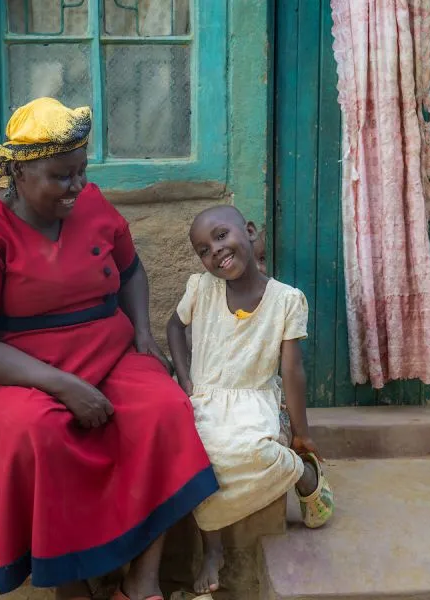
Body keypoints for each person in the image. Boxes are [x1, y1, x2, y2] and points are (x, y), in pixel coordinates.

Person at [0, 97, 218, 600]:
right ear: (19, 173)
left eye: (81, 171)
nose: (77, 186)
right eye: (61, 176)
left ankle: (141, 580)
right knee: (39, 432)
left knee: (165, 409)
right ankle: (72, 585)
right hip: (17, 369)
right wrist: (63, 386)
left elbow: (131, 272)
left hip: (108, 351)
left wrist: (143, 334)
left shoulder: (93, 204)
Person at [166, 206, 334, 595]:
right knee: (194, 456)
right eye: (204, 250)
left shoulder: (287, 300)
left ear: (250, 231)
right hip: (204, 397)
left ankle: (301, 471)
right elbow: (174, 326)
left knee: (253, 452)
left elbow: (292, 371)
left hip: (252, 399)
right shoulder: (202, 288)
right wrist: (186, 376)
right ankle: (213, 548)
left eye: (222, 236)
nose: (216, 252)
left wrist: (302, 434)